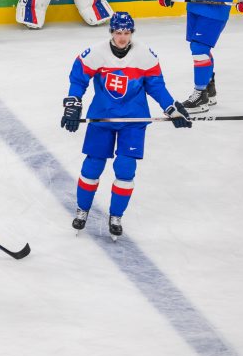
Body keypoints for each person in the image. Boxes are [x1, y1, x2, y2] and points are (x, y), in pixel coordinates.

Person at [60, 12, 192, 240]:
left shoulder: (145, 55)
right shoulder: (95, 53)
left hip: (133, 120)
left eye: (127, 33)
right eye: (118, 32)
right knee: (92, 166)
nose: (122, 38)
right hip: (102, 118)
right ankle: (83, 210)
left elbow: (156, 85)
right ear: (111, 32)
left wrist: (171, 108)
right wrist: (73, 103)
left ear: (132, 33)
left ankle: (116, 216)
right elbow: (78, 79)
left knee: (125, 168)